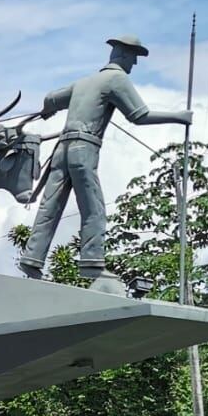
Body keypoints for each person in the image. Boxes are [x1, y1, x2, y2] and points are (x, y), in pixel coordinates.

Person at [19, 34, 193, 290]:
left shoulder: (85, 81)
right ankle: (92, 265)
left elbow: (51, 98)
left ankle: (32, 259)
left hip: (62, 150)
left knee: (50, 206)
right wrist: (179, 117)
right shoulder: (116, 79)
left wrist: (49, 110)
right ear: (122, 54)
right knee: (94, 208)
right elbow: (139, 115)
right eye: (134, 58)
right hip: (83, 149)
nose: (134, 64)